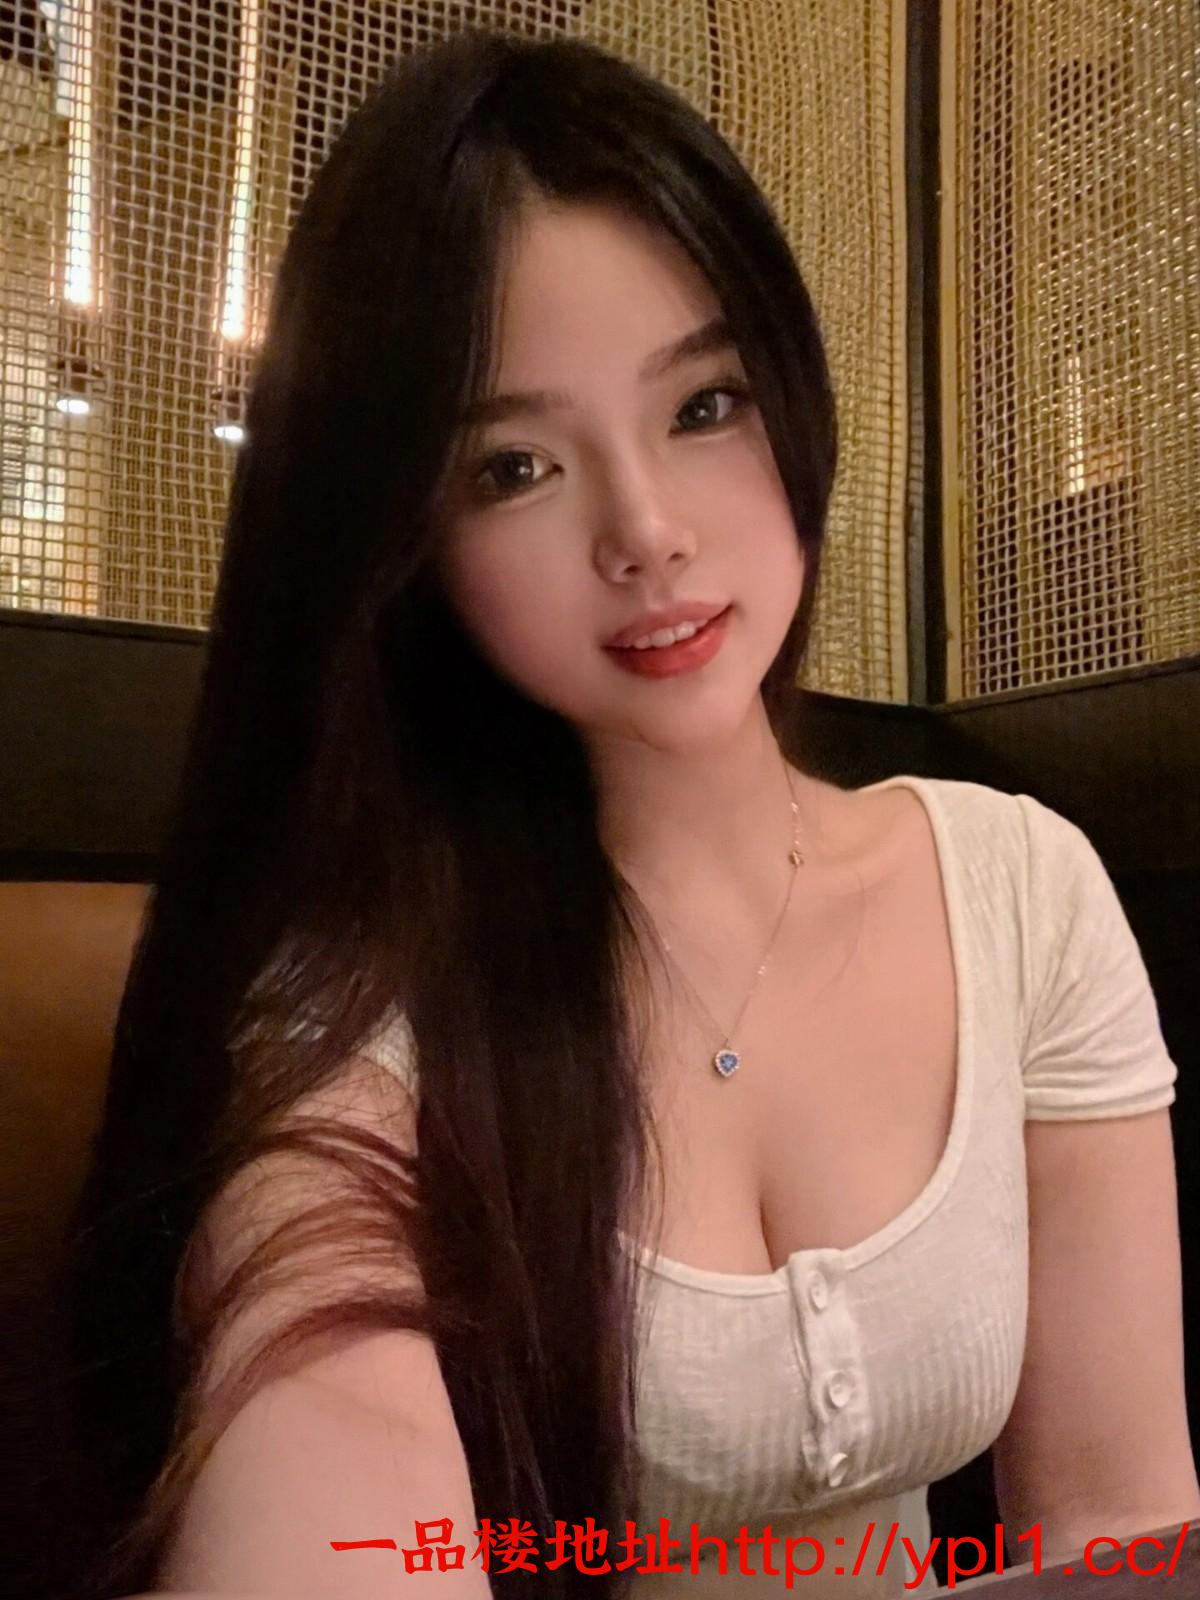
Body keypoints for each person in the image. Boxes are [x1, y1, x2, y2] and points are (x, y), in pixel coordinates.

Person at [55, 26, 1197, 1600]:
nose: (646, 532)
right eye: (515, 467)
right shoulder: (366, 1014)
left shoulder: (1019, 892)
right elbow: (325, 1403)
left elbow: (1115, 1534)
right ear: (410, 543)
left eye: (704, 404)